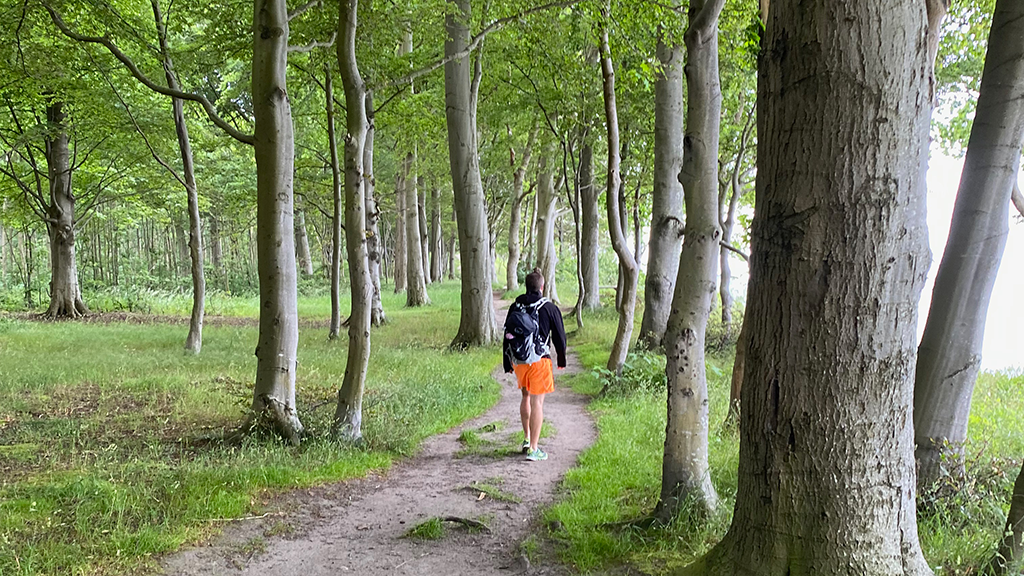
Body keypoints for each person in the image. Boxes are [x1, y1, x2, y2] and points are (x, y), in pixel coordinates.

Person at [503, 269, 566, 461]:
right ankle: (534, 449)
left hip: (520, 360)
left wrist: (508, 362)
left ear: (526, 286)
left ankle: (526, 438)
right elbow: (560, 337)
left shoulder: (516, 305)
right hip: (539, 360)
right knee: (537, 402)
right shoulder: (549, 307)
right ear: (542, 286)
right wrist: (561, 359)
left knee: (525, 396)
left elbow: (507, 333)